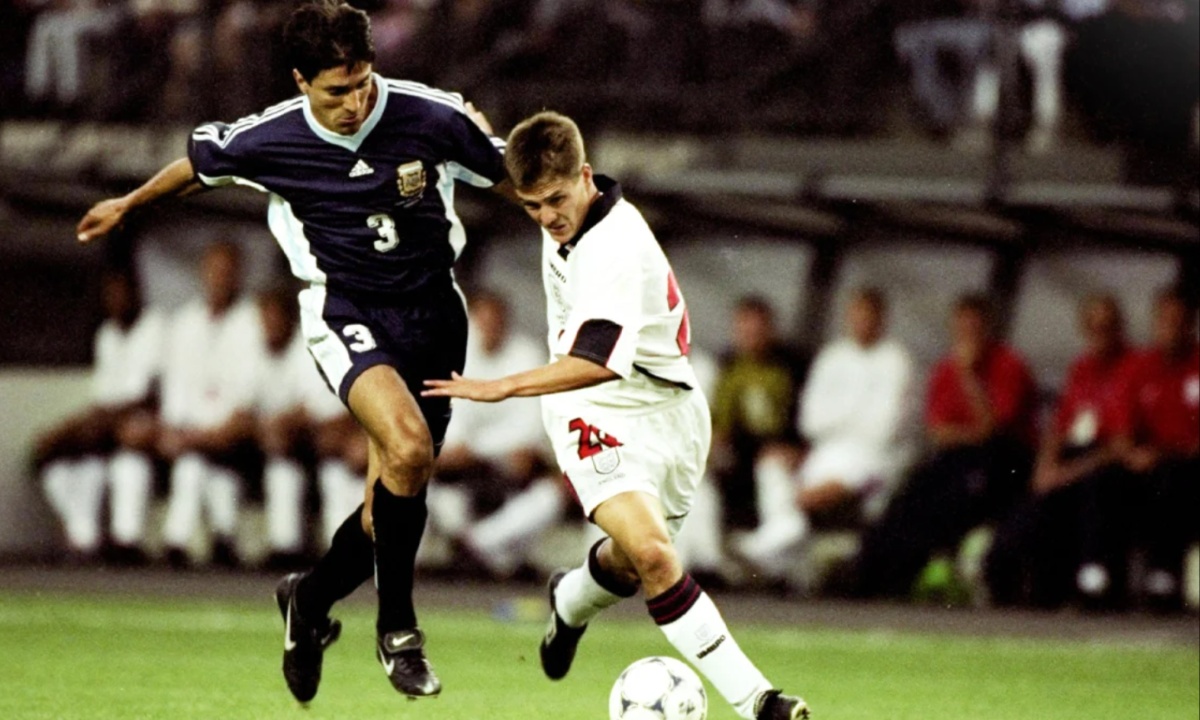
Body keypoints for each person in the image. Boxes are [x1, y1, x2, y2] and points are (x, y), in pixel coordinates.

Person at [75, 1, 507, 703]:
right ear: (302, 81)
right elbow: (196, 164)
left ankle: (308, 600)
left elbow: (509, 174)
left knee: (386, 506)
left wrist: (575, 214)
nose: (354, 101)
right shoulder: (270, 138)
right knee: (409, 450)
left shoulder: (430, 115)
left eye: (363, 81)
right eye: (336, 90)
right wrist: (127, 203)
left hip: (434, 315)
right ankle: (398, 633)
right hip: (346, 312)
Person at [423, 111, 810, 720]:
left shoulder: (614, 247)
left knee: (630, 567)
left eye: (555, 200)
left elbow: (598, 358)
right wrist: (475, 135)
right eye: (532, 207)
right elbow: (517, 175)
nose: (547, 217)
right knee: (657, 557)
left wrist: (502, 386)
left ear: (585, 177)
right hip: (590, 409)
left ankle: (569, 601)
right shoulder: (562, 195)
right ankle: (760, 701)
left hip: (668, 410)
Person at [851, 293, 1038, 599]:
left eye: (974, 328)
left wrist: (969, 377)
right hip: (956, 457)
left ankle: (906, 576)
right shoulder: (944, 369)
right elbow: (938, 432)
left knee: (949, 504)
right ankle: (871, 576)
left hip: (1002, 461)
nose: (968, 336)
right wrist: (968, 432)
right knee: (907, 498)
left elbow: (992, 429)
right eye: (962, 328)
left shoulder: (1008, 366)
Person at [736, 288, 917, 585]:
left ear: (881, 319)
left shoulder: (896, 360)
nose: (862, 322)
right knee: (772, 460)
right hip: (825, 451)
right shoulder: (832, 357)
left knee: (814, 493)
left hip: (872, 461)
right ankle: (784, 537)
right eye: (856, 315)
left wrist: (839, 416)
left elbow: (884, 428)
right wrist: (853, 415)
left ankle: (763, 547)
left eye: (869, 316)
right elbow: (810, 420)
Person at [984, 294, 1137, 609]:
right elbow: (1059, 427)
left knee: (1096, 493)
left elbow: (1122, 443)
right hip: (1070, 461)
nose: (1099, 333)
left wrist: (1066, 473)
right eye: (1093, 327)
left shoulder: (1132, 368)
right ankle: (1013, 586)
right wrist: (1045, 467)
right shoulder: (1081, 368)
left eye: (1106, 327)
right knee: (1028, 509)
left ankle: (1093, 587)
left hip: (1102, 467)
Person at [427, 289, 563, 580]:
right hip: (461, 465)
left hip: (511, 462)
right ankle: (487, 558)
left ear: (506, 322)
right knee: (418, 468)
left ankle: (475, 547)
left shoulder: (527, 354)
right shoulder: (455, 351)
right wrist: (459, 448)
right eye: (482, 321)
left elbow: (530, 425)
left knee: (552, 492)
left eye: (495, 321)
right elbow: (450, 412)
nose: (488, 328)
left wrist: (477, 449)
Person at [35, 269, 163, 564]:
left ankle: (126, 542)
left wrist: (90, 426)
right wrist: (73, 429)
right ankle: (85, 539)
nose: (116, 300)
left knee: (128, 463)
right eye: (111, 294)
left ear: (136, 294)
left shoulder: (152, 327)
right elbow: (103, 399)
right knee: (64, 466)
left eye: (122, 292)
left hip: (141, 426)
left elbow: (145, 397)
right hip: (107, 430)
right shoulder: (106, 335)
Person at [156, 240, 264, 570]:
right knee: (192, 466)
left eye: (227, 272)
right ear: (203, 273)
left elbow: (249, 394)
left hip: (235, 434)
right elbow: (174, 386)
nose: (220, 278)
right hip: (191, 433)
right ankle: (208, 537)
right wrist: (178, 431)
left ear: (238, 276)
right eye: (214, 271)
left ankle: (193, 537)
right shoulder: (185, 322)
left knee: (208, 461)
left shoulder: (251, 322)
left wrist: (208, 435)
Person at [253, 286, 352, 570]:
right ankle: (285, 548)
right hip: (271, 443)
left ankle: (343, 553)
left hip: (320, 441)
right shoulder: (252, 348)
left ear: (290, 320)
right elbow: (244, 407)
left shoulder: (309, 346)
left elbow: (322, 411)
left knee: (334, 468)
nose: (270, 325)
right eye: (265, 318)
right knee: (281, 467)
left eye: (276, 318)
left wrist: (284, 424)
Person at [1114, 287, 1199, 611]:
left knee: (1172, 478)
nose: (1171, 329)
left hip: (1186, 470)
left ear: (1190, 324)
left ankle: (1164, 577)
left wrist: (1163, 454)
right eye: (1165, 322)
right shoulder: (1138, 367)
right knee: (1108, 483)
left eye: (1179, 322)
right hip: (1143, 468)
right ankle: (1100, 577)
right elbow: (1123, 432)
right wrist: (1133, 454)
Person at [710, 296, 804, 533]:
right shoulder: (728, 365)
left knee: (772, 472)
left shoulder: (791, 366)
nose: (751, 337)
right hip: (740, 447)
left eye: (758, 330)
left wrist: (798, 448)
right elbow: (720, 419)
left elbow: (803, 415)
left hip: (779, 446)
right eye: (745, 331)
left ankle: (775, 535)